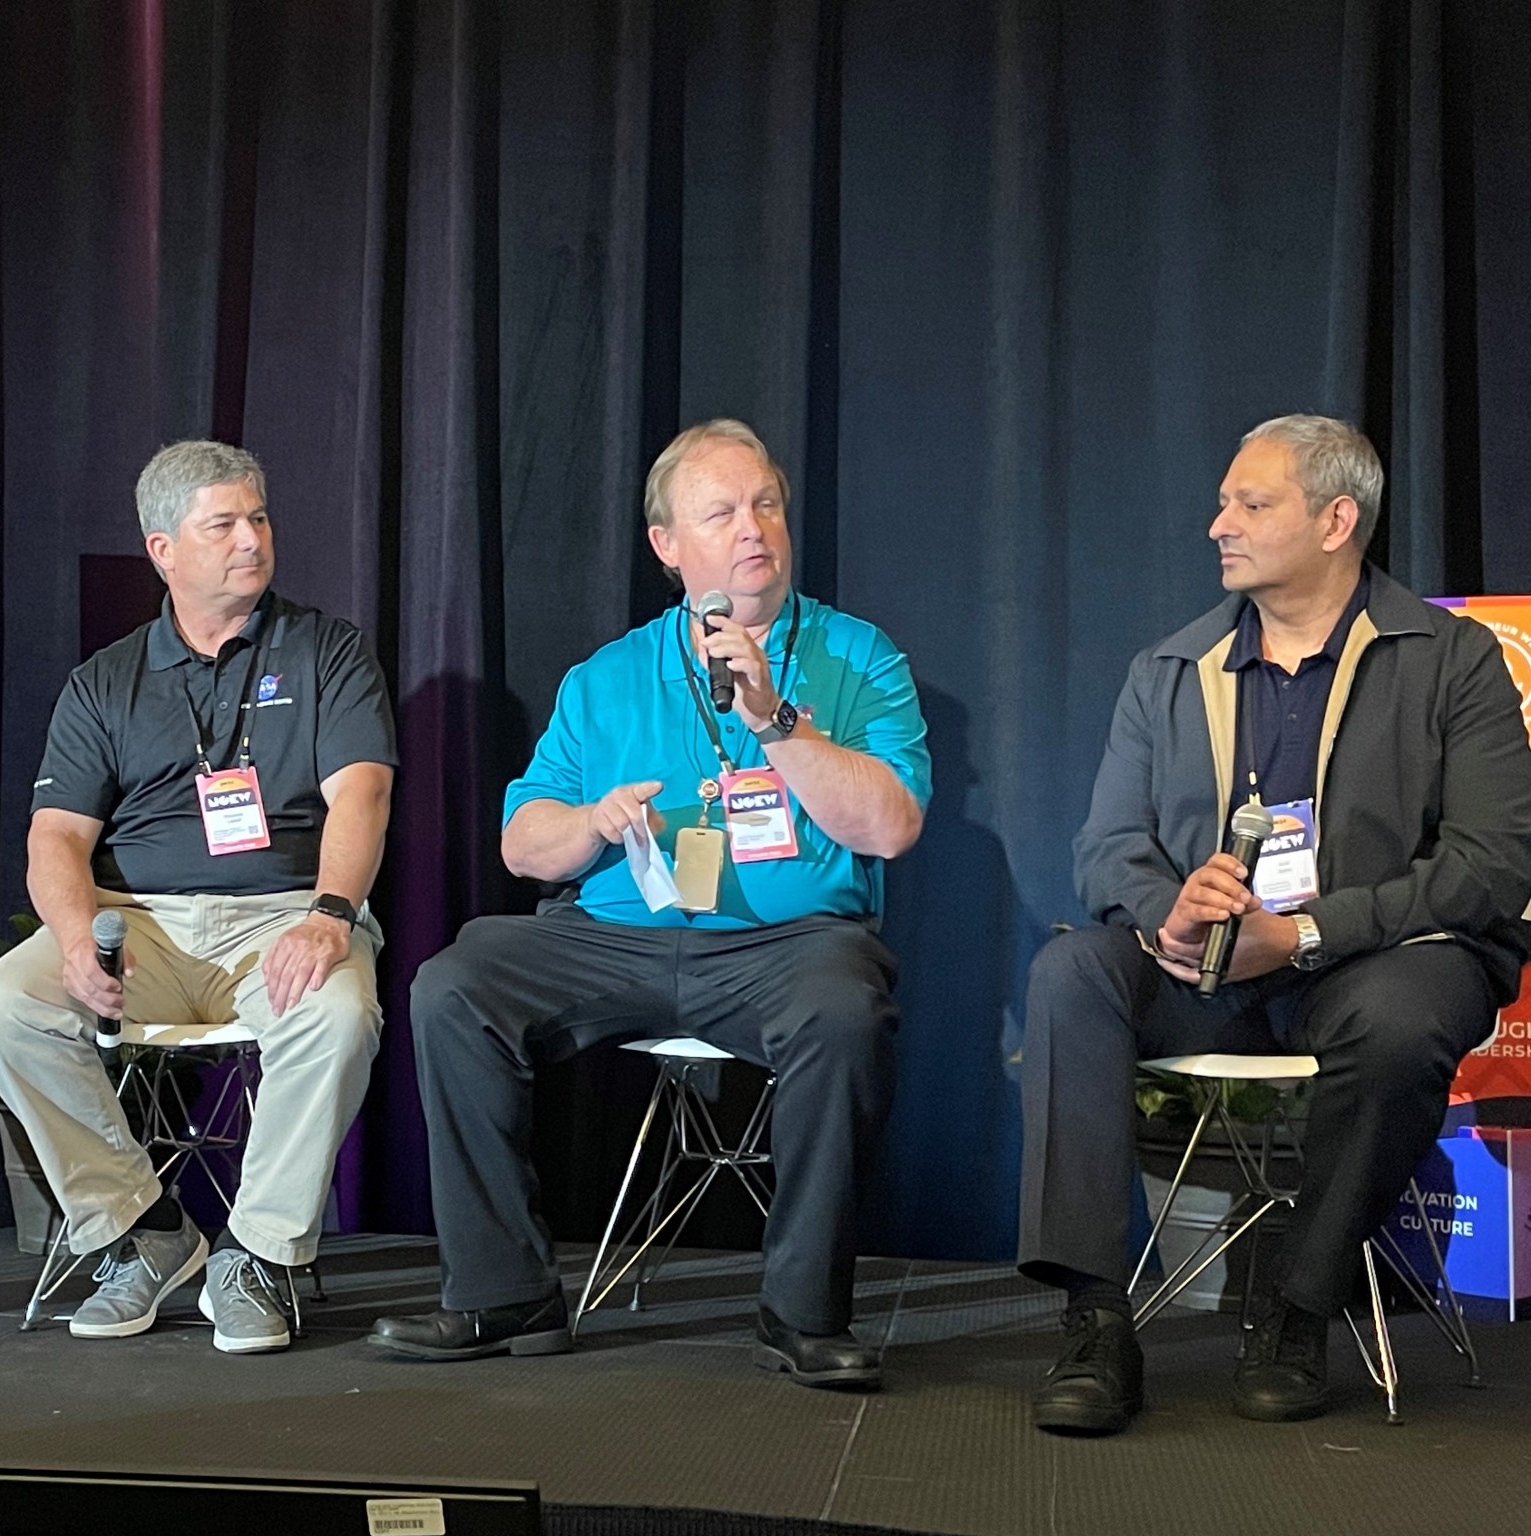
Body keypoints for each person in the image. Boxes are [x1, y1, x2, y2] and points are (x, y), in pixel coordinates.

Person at [371, 419, 931, 1390]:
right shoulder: (607, 677)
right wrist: (590, 818)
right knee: (455, 981)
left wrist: (774, 720)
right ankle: (504, 1293)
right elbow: (521, 843)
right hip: (613, 939)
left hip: (787, 946)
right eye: (720, 512)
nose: (752, 527)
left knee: (844, 1006)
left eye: (764, 503)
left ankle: (799, 1315)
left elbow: (888, 829)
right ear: (667, 547)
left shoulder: (857, 656)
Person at [1018, 414, 1531, 1433]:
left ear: (1336, 519)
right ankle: (1091, 1316)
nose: (1217, 525)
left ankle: (1297, 1303)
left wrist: (1300, 933)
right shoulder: (1167, 670)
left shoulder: (1452, 661)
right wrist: (1170, 911)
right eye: (1221, 502)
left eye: (1249, 505)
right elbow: (1101, 848)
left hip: (1375, 964)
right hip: (1205, 976)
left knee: (1397, 1019)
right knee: (1068, 974)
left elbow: (1487, 869)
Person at [0, 439, 397, 1353]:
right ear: (163, 548)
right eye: (224, 524)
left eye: (260, 518)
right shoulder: (107, 681)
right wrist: (78, 938)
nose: (252, 539)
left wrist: (329, 916)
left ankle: (260, 1255)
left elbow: (362, 794)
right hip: (142, 923)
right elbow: (57, 839)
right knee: (3, 1006)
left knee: (339, 1013)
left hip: (284, 916)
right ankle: (144, 1231)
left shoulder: (325, 651)